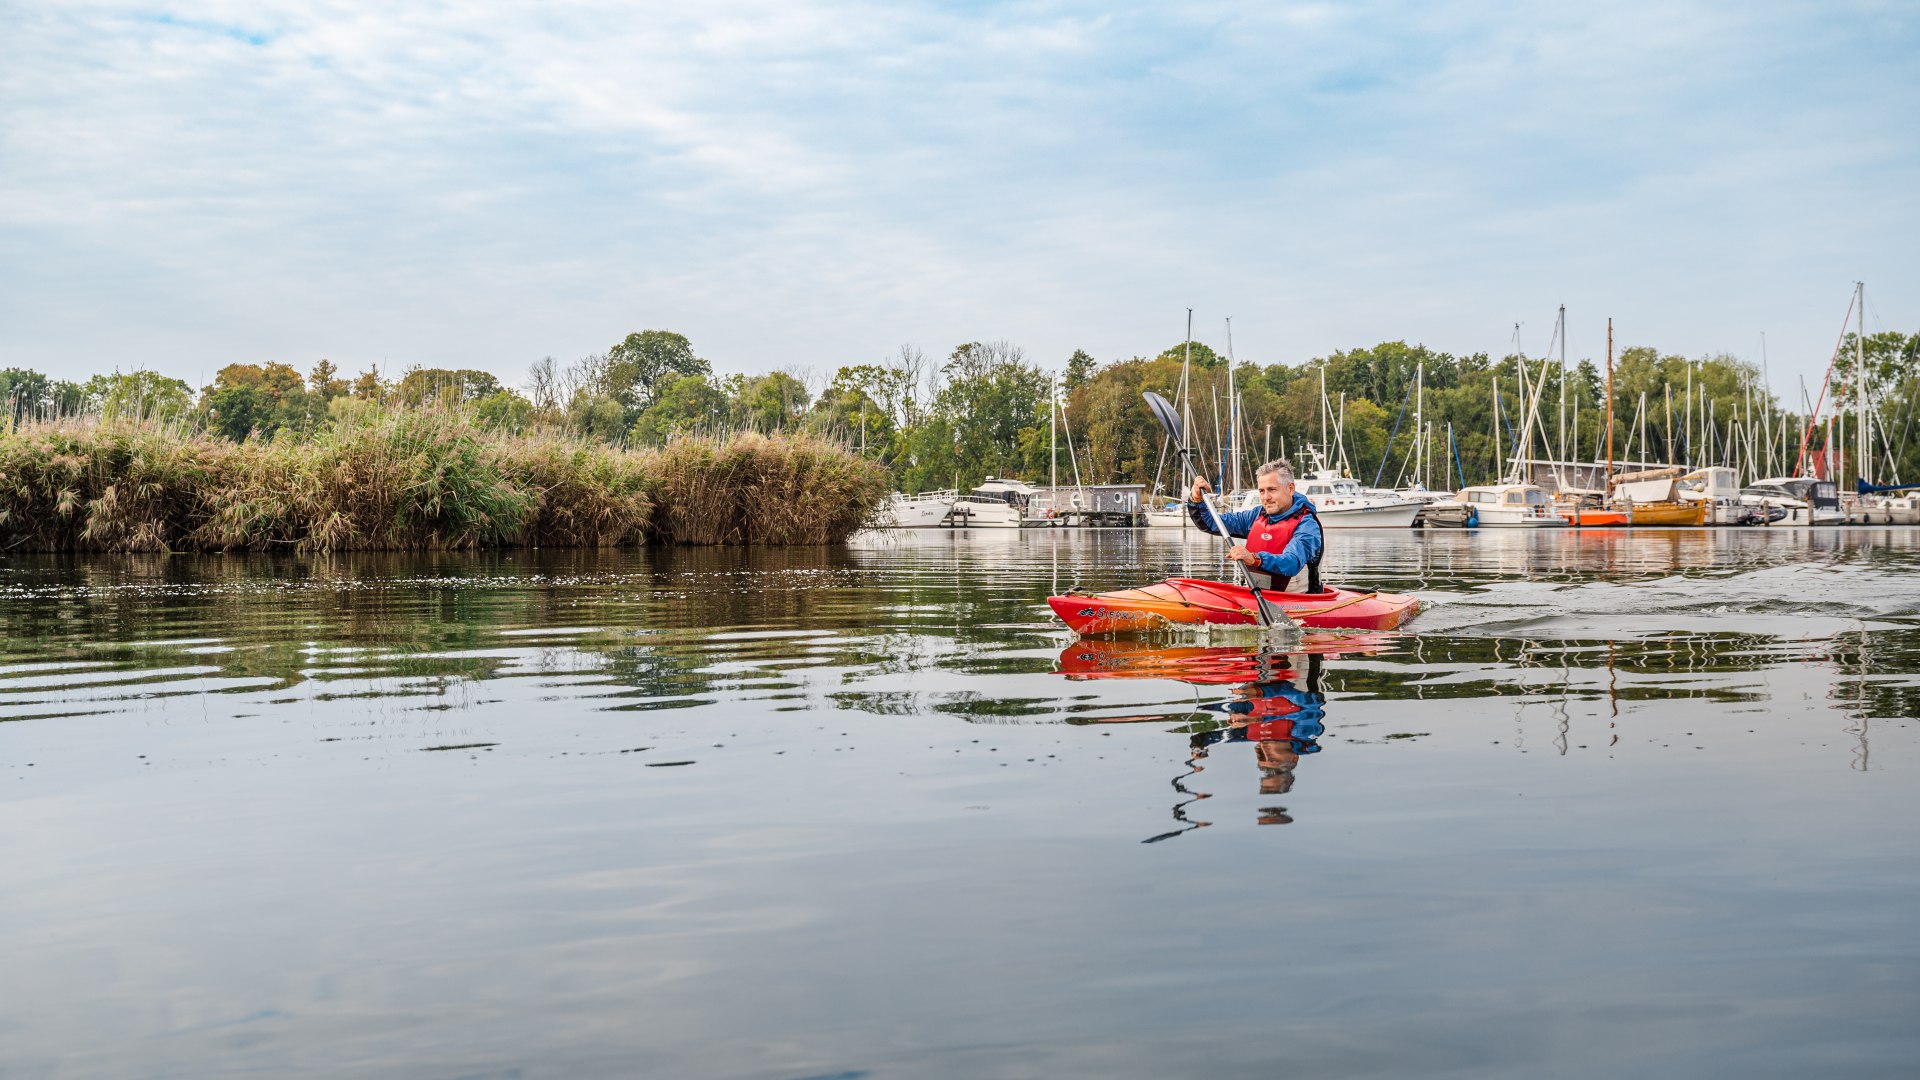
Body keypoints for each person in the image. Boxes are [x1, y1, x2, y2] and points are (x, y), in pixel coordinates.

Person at [1187, 458, 1324, 593]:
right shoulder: (1256, 515)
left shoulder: (1307, 525)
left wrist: (1254, 559)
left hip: (1298, 601)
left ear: (1290, 488)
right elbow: (1211, 523)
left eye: (1272, 489)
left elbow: (1291, 562)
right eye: (1262, 491)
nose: (1266, 497)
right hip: (1254, 595)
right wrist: (1197, 500)